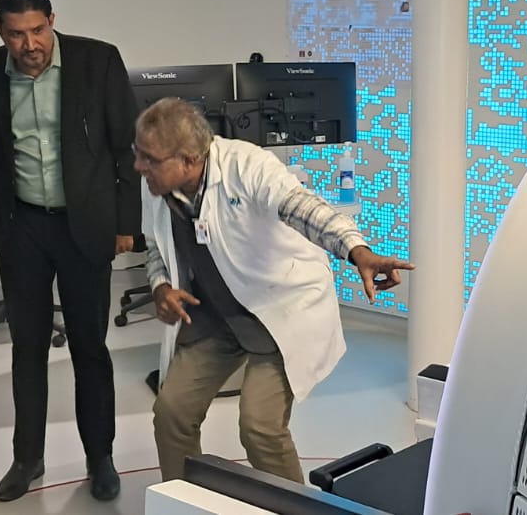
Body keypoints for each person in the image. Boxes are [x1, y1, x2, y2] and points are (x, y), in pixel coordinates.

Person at [136, 98, 414, 483]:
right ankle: (183, 501)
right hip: (216, 315)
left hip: (278, 308)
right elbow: (155, 247)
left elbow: (303, 208)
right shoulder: (155, 185)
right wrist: (161, 286)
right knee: (172, 413)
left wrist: (357, 250)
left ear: (187, 159)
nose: (138, 166)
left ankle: (296, 507)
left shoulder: (246, 166)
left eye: (149, 158)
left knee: (260, 426)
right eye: (138, 154)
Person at [0, 0, 140, 502]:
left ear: (52, 21)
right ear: (0, 31)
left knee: (90, 347)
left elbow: (126, 148)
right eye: (16, 34)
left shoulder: (97, 61)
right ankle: (27, 458)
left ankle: (100, 457)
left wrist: (126, 224)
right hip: (22, 226)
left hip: (85, 224)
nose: (29, 44)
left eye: (38, 30)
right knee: (28, 348)